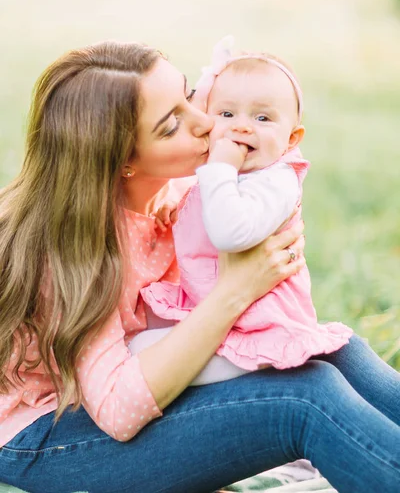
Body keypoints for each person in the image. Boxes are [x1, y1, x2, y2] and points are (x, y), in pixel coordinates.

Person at [0, 41, 398, 493]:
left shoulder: (176, 194)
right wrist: (236, 291)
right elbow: (116, 410)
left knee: (330, 348)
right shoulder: (76, 248)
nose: (207, 122)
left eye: (190, 96)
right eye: (172, 125)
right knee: (305, 398)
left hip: (135, 375)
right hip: (51, 431)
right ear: (124, 162)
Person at [138, 37, 352, 379]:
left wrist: (219, 168)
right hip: (218, 309)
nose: (242, 126)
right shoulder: (232, 174)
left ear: (292, 139)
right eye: (226, 113)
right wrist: (179, 208)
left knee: (141, 354)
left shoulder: (277, 181)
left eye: (263, 117)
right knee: (139, 339)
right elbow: (208, 203)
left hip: (260, 329)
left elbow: (229, 232)